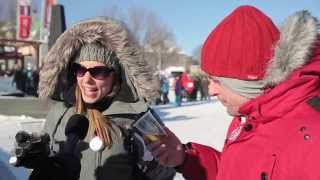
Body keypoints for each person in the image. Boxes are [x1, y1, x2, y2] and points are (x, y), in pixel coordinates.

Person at [148, 5, 320, 180]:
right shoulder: (247, 117)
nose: (211, 90)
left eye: (218, 81)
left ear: (246, 82)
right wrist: (185, 159)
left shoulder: (312, 142)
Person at [13, 17, 175, 180]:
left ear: (116, 76)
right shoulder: (59, 113)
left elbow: (167, 170)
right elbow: (46, 157)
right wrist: (36, 156)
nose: (87, 79)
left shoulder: (139, 116)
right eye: (80, 70)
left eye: (98, 72)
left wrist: (152, 163)